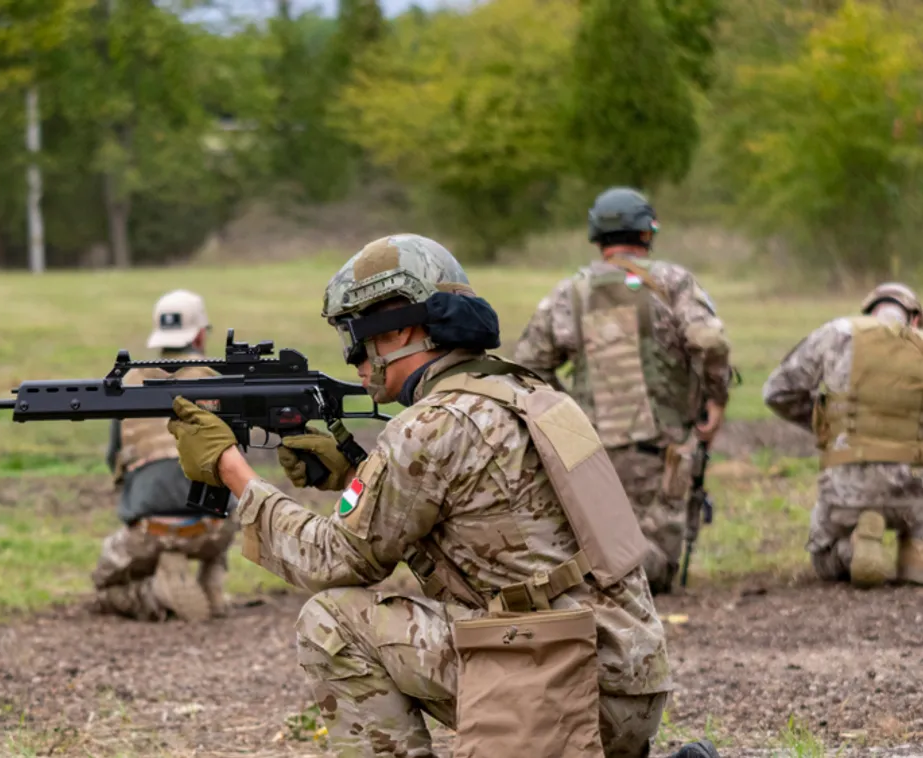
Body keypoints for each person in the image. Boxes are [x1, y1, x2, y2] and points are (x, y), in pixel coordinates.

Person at [163, 235, 715, 758]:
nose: (354, 358)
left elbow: (332, 561)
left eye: (357, 334)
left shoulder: (431, 425)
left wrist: (230, 469)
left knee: (331, 622)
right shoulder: (532, 394)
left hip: (564, 687)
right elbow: (490, 522)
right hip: (627, 679)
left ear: (401, 331)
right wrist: (361, 470)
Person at [514, 187, 733, 594]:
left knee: (607, 550)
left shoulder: (570, 292)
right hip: (662, 452)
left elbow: (527, 364)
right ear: (647, 234)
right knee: (658, 573)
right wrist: (715, 397)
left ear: (598, 239)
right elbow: (711, 342)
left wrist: (568, 417)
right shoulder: (672, 283)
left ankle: (599, 567)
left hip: (590, 453)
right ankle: (623, 568)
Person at [90, 289, 237, 622]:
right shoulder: (218, 382)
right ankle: (211, 580)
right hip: (214, 530)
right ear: (200, 334)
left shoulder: (128, 384)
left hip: (151, 530)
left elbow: (115, 459)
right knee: (225, 488)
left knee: (103, 587)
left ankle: (155, 592)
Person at [764, 282, 923, 588]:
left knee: (824, 555)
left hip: (849, 488)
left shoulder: (837, 333)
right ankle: (914, 549)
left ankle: (852, 546)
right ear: (914, 318)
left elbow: (777, 391)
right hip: (915, 490)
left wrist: (829, 426)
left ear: (869, 312)